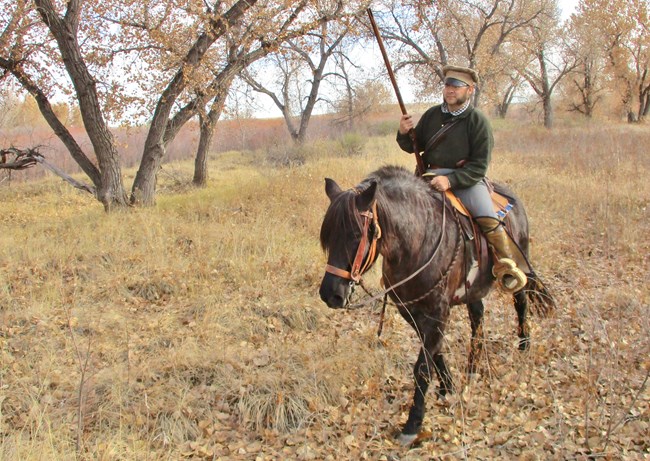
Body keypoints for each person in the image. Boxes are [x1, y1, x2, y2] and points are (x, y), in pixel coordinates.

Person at [396, 64, 527, 292]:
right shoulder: (432, 115)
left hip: (466, 180)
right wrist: (404, 132)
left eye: (457, 86)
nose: (450, 90)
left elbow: (479, 166)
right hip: (428, 178)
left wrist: (451, 181)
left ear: (470, 90)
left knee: (487, 217)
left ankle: (507, 265)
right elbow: (413, 147)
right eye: (448, 84)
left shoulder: (477, 121)